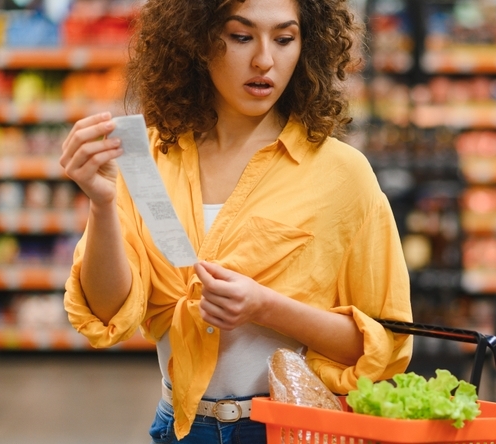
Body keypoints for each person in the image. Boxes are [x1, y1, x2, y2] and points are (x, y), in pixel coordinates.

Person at [59, 0, 413, 442]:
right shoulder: (150, 159)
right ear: (198, 41)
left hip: (292, 428)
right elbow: (108, 312)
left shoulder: (343, 175)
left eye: (284, 39)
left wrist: (266, 307)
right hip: (179, 426)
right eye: (241, 36)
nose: (265, 59)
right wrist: (101, 203)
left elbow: (382, 344)